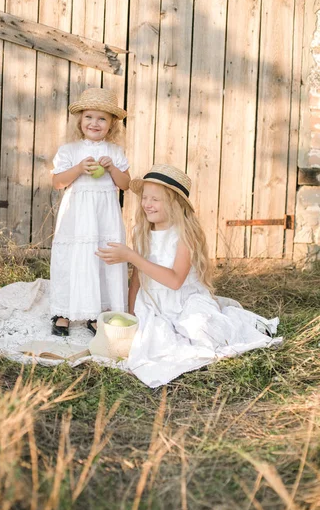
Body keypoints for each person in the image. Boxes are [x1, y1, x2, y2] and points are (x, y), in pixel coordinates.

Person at [96, 163, 280, 388]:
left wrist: (132, 257)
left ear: (174, 203)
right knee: (150, 340)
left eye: (155, 199)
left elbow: (174, 281)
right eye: (145, 197)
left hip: (184, 300)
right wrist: (131, 315)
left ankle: (230, 324)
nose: (147, 204)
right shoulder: (142, 232)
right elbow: (136, 280)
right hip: (153, 301)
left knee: (199, 331)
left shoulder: (184, 235)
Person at [50, 87, 130, 337]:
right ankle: (64, 310)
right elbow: (58, 182)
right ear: (80, 120)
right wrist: (78, 168)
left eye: (102, 118)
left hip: (104, 217)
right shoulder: (70, 150)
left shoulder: (115, 152)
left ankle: (98, 310)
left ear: (111, 125)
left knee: (101, 257)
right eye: (89, 117)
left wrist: (113, 168)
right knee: (72, 258)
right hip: (77, 217)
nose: (94, 123)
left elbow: (125, 184)